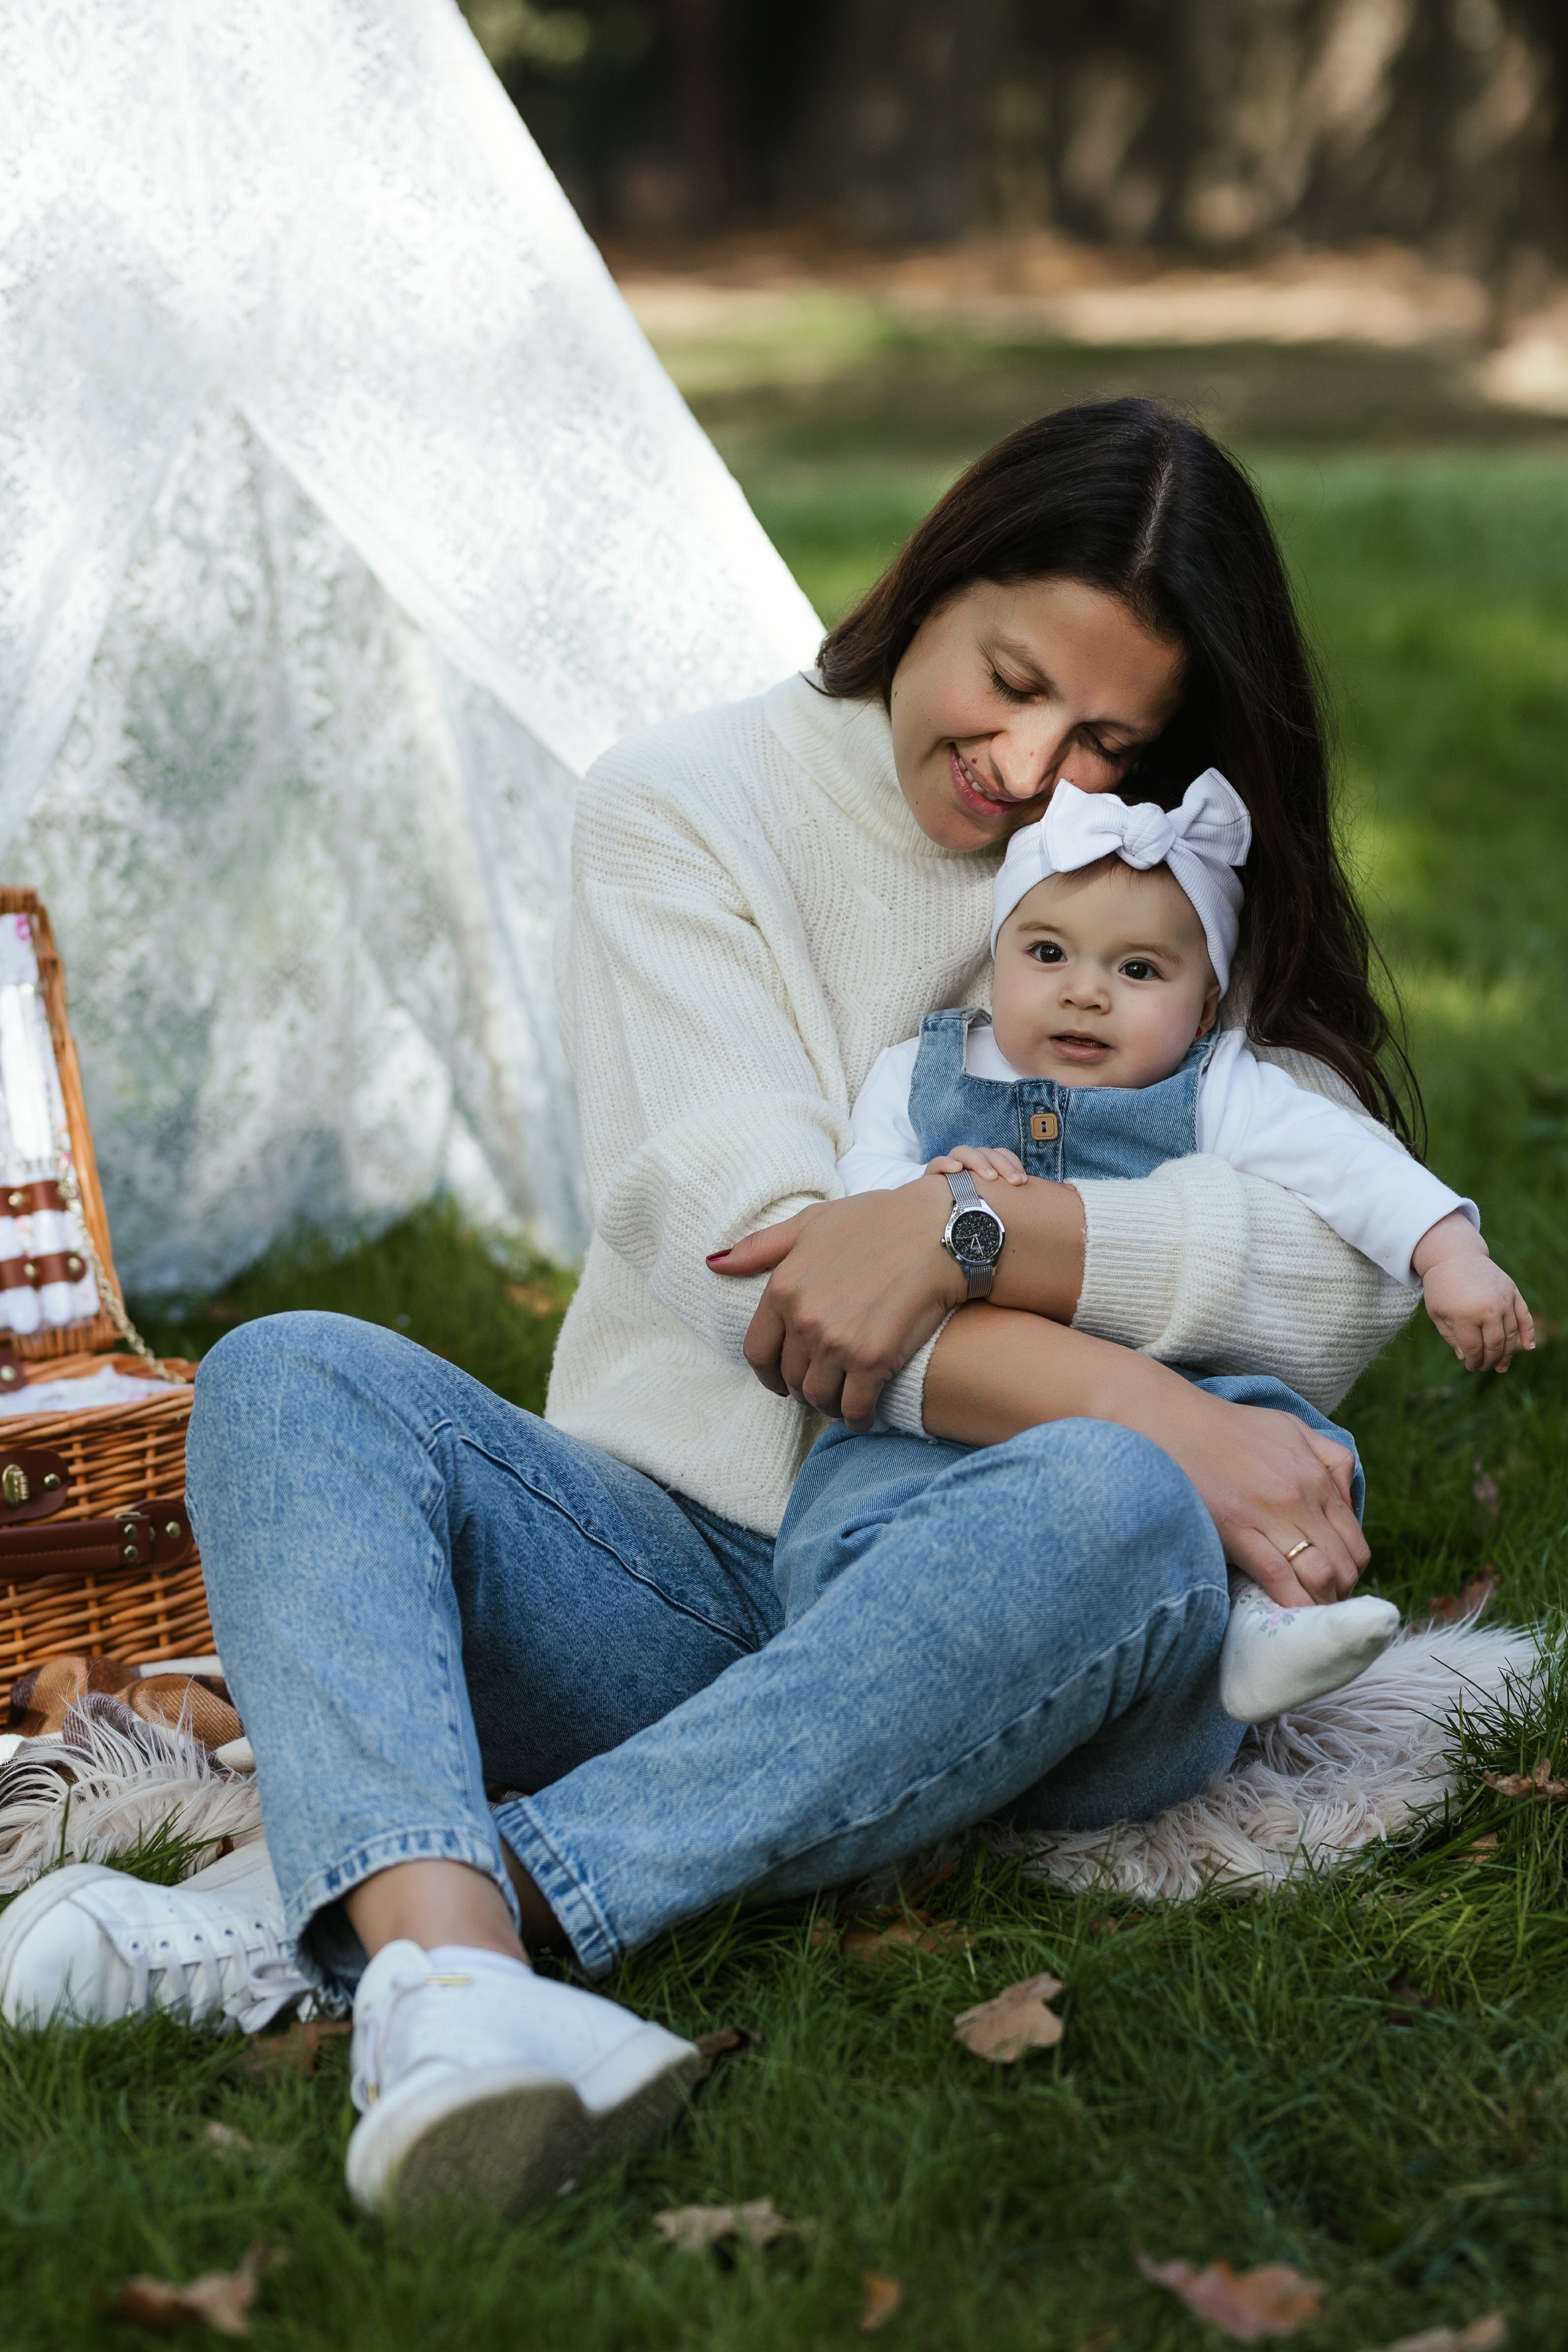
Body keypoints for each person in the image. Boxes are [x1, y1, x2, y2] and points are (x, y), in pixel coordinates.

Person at [0, 399, 1422, 2226]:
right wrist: (1182, 1410)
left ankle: (437, 1938)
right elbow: (778, 1281)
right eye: (1003, 679)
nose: (1024, 762)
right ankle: (463, 1988)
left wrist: (974, 1237)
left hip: (1033, 1597)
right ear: (927, 578)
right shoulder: (683, 807)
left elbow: (1342, 1261)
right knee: (286, 1375)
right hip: (675, 1567)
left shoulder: (1150, 869)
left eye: (1102, 738)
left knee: (1116, 1502)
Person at [837, 764, 1531, 1722]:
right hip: (966, 1397)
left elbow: (1346, 1161)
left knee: (1283, 1433)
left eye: (1137, 971)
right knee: (863, 1469)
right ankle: (849, 1615)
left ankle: (1262, 1623)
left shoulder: (1214, 1088)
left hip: (1173, 1387)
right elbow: (856, 1206)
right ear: (995, 964)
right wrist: (924, 1188)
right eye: (1047, 953)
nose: (1086, 993)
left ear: (1204, 1009)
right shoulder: (920, 1077)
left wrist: (1449, 1251)